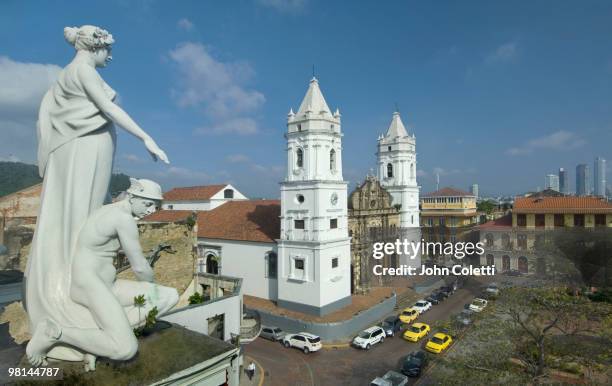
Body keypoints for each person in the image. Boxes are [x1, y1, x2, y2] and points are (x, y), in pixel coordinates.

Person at [25, 25, 169, 362]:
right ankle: (72, 319)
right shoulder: (81, 71)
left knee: (82, 212)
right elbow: (110, 110)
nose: (111, 56)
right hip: (83, 151)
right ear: (95, 47)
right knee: (76, 212)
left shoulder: (71, 73)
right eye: (108, 50)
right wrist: (146, 138)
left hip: (88, 149)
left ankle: (90, 331)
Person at [26, 179, 179, 369]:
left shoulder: (108, 210)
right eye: (147, 204)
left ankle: (98, 343)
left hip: (109, 285)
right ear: (132, 196)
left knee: (169, 296)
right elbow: (139, 266)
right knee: (125, 349)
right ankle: (55, 333)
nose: (150, 210)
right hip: (90, 286)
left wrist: (153, 291)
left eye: (154, 206)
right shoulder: (123, 219)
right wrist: (151, 286)